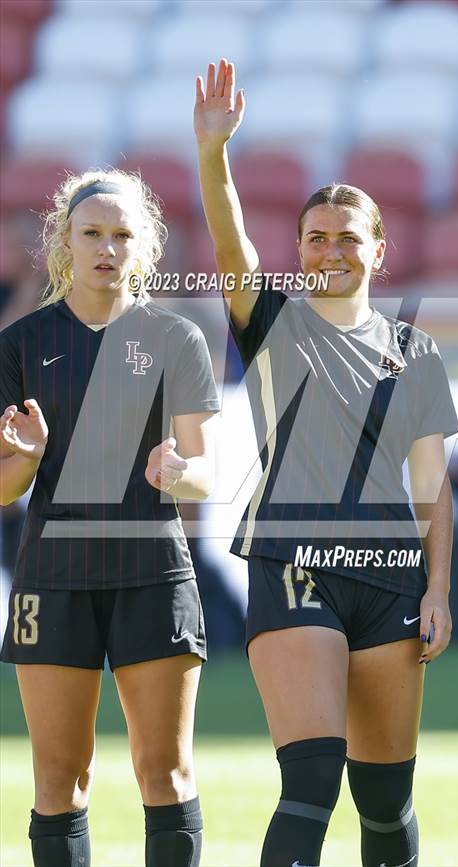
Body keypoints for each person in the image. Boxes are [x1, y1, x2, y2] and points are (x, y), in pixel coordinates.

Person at [194, 59, 458, 866]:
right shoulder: (273, 321)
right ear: (299, 249)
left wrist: (438, 587)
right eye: (316, 237)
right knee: (311, 777)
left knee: (385, 801)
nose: (331, 249)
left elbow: (432, 488)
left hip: (391, 573)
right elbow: (231, 244)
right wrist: (214, 154)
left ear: (381, 250)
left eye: (349, 237)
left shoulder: (417, 353)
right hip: (293, 561)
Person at [0, 169, 220, 867]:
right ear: (64, 240)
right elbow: (2, 491)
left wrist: (180, 471)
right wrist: (27, 459)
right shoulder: (21, 343)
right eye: (92, 232)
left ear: (145, 245)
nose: (106, 247)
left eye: (122, 234)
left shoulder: (176, 337)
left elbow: (209, 473)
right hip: (54, 577)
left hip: (152, 571)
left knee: (166, 774)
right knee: (60, 781)